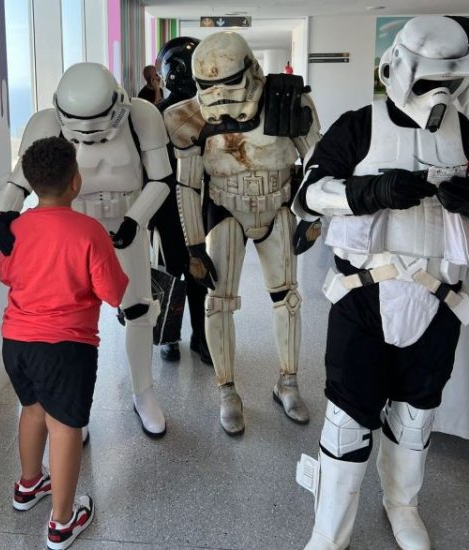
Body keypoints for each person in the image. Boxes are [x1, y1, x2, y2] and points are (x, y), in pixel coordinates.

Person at [292, 15, 469, 550]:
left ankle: (402, 504)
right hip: (363, 296)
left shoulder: (466, 133)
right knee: (347, 419)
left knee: (417, 415)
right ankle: (330, 529)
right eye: (426, 82)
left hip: (439, 298)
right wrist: (368, 192)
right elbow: (307, 195)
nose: (437, 97)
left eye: (450, 83)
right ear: (397, 69)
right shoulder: (358, 125)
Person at [0, 62, 173, 438]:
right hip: (71, 232)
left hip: (126, 222)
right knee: (68, 316)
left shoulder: (142, 117)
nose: (89, 137)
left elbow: (161, 178)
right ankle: (68, 409)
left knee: (137, 307)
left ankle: (143, 392)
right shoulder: (46, 123)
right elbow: (17, 182)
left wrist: (135, 219)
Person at [163, 31, 321, 434]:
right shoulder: (188, 119)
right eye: (207, 86)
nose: (219, 94)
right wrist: (194, 244)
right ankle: (226, 390)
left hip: (278, 204)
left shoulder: (289, 101)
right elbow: (188, 183)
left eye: (228, 81)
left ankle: (288, 381)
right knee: (218, 302)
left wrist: (312, 215)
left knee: (287, 299)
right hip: (225, 208)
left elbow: (318, 161)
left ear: (251, 70)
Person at [0, 137, 128, 549]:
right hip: (66, 348)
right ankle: (62, 521)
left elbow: (6, 274)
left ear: (33, 184)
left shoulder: (15, 228)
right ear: (76, 181)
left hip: (16, 342)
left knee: (32, 411)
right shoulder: (89, 231)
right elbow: (113, 292)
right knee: (66, 427)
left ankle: (29, 484)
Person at [149, 36, 212, 365]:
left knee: (196, 274)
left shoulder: (211, 110)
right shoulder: (156, 115)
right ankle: (170, 336)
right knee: (174, 273)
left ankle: (196, 337)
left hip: (200, 204)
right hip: (169, 206)